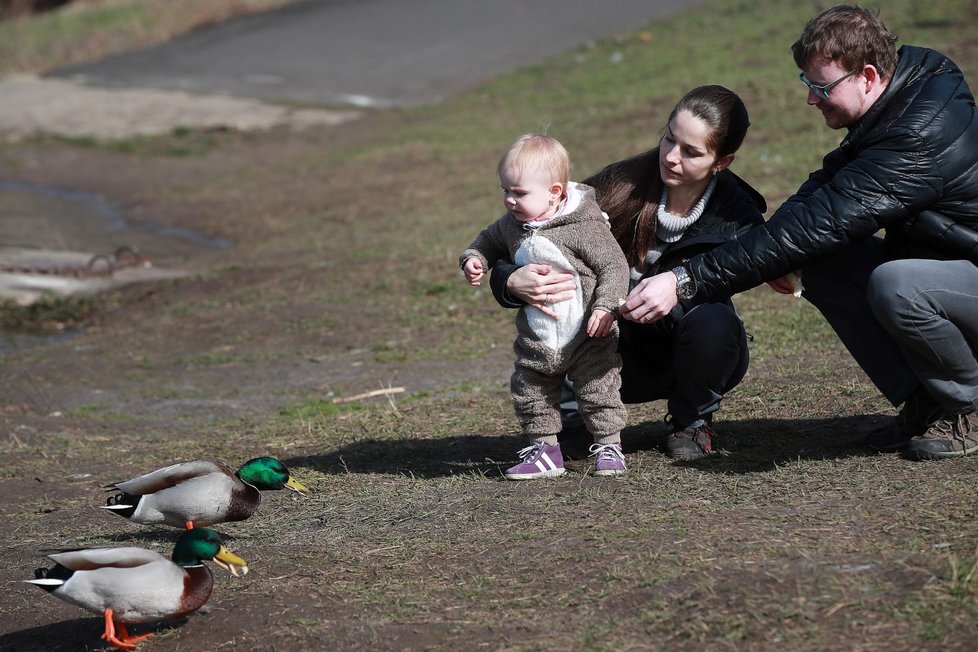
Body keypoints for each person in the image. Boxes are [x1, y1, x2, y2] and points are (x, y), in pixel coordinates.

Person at [624, 5, 978, 461]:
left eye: (821, 86)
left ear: (867, 75)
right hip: (958, 274)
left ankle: (967, 406)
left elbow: (822, 222)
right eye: (807, 83)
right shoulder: (906, 94)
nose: (811, 98)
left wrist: (683, 279)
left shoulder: (917, 136)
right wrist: (779, 250)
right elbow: (822, 192)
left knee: (898, 286)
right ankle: (927, 401)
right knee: (815, 256)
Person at [491, 86, 766, 460]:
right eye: (669, 139)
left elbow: (765, 263)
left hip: (690, 353)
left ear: (722, 161)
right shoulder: (616, 186)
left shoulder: (739, 217)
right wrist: (508, 280)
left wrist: (679, 287)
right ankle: (574, 422)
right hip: (606, 351)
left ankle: (691, 422)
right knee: (564, 309)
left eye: (691, 152)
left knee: (716, 322)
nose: (671, 156)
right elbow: (527, 227)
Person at [460, 133, 631, 479]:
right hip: (539, 335)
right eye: (505, 191)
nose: (509, 200)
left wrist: (605, 307)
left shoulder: (583, 225)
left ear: (555, 192)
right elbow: (489, 240)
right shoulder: (513, 225)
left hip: (587, 332)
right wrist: (474, 257)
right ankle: (544, 451)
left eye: (519, 193)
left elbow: (615, 267)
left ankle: (609, 445)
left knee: (598, 388)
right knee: (531, 390)